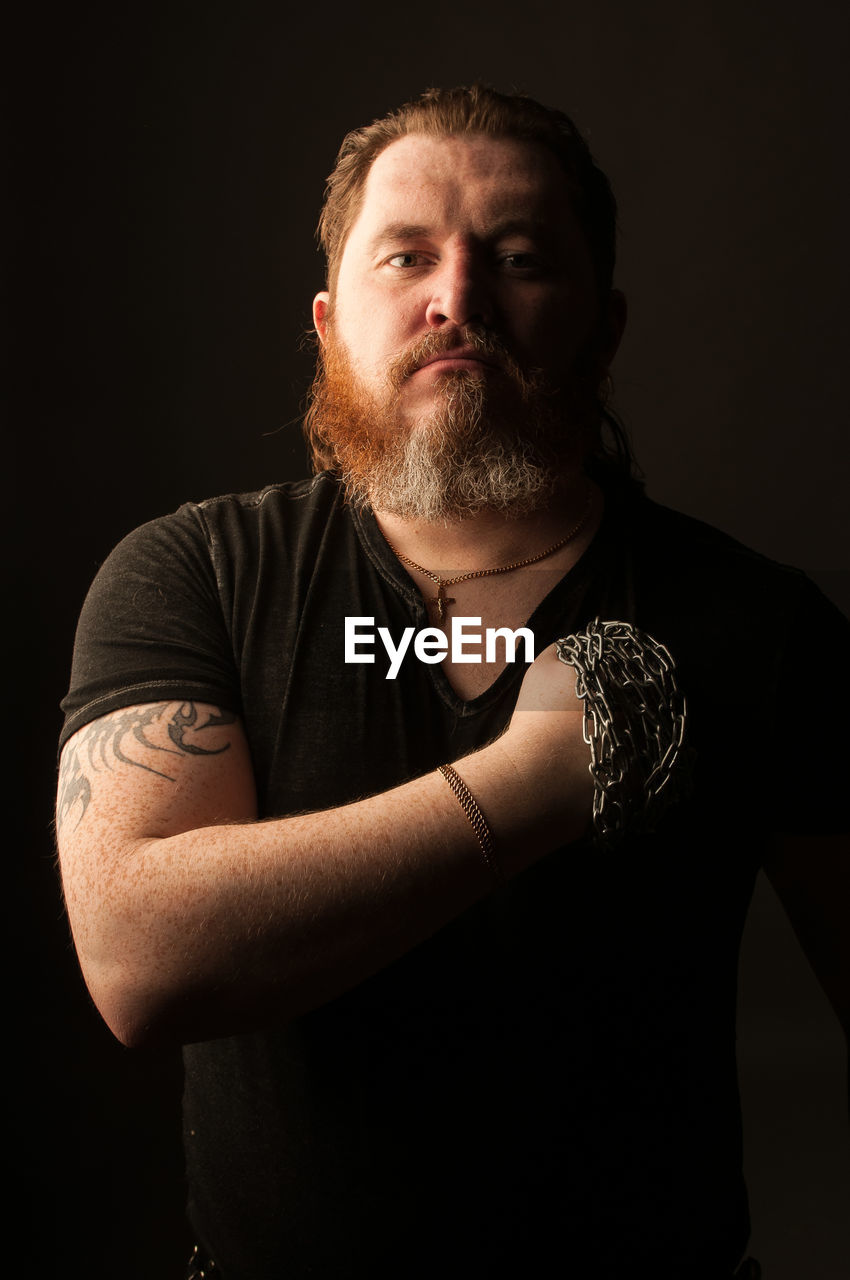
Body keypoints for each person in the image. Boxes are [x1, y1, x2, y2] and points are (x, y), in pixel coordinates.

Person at [56, 85, 848, 1279]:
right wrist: (532, 780)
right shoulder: (192, 573)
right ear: (327, 322)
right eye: (406, 256)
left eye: (519, 257)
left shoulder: (755, 621)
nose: (459, 298)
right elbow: (136, 957)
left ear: (605, 325)